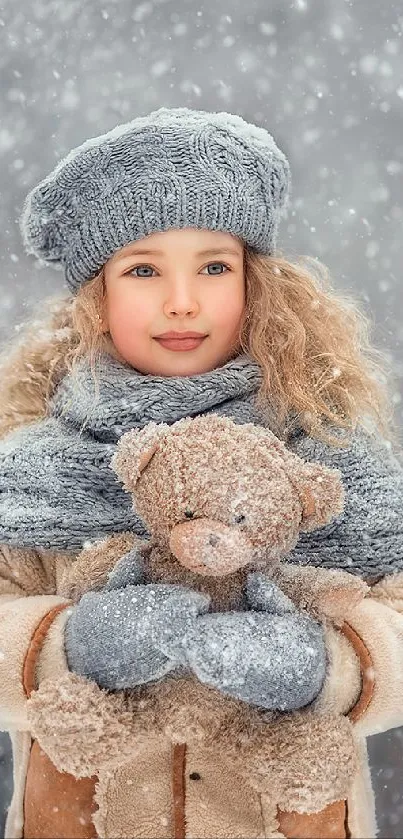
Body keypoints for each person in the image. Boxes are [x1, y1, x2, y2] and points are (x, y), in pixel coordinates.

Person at [0, 106, 402, 839]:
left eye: (213, 266)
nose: (181, 300)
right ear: (97, 296)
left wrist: (330, 667)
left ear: (257, 283)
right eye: (143, 268)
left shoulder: (334, 454)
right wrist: (67, 644)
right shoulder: (27, 467)